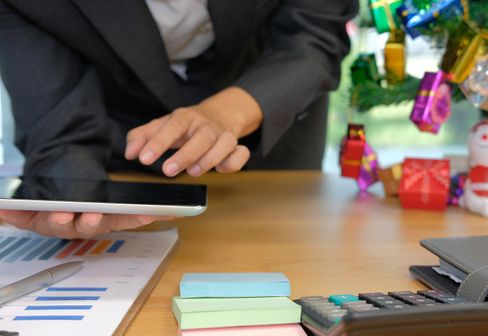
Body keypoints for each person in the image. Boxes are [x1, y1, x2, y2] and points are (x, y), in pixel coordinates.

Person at [0, 0, 358, 238]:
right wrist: (70, 200)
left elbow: (314, 33)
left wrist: (228, 112)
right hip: (121, 143)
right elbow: (57, 116)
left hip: (273, 124)